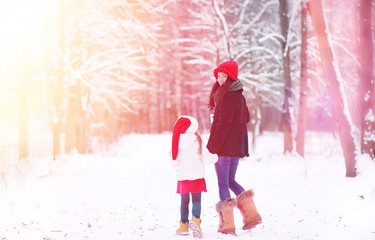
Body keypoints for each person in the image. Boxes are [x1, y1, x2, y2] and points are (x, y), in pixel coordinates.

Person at [206, 60, 262, 234]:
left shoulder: (228, 96)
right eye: (219, 76)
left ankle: (228, 225)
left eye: (224, 76)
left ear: (231, 77)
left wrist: (212, 147)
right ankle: (252, 215)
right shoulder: (238, 95)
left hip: (224, 147)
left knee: (223, 182)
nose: (220, 79)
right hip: (234, 147)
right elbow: (244, 118)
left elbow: (223, 123)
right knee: (230, 181)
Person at [171, 116, 207, 238]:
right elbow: (205, 156)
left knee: (184, 201)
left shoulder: (176, 140)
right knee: (196, 200)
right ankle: (196, 220)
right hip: (197, 175)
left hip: (183, 175)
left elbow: (173, 156)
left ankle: (183, 226)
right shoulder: (197, 139)